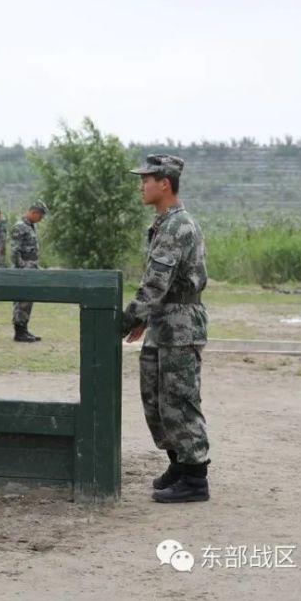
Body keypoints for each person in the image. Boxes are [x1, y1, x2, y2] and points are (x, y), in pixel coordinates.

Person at [121, 154, 210, 503]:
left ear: (165, 184)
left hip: (180, 324)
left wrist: (127, 319)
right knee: (155, 399)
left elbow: (155, 283)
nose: (142, 185)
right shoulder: (164, 223)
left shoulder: (178, 226)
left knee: (179, 400)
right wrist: (144, 318)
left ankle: (195, 478)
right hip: (163, 322)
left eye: (147, 179)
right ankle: (178, 463)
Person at [10, 201, 47, 342]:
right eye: (40, 216)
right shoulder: (20, 227)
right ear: (34, 212)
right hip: (22, 271)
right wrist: (23, 267)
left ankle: (24, 330)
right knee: (21, 300)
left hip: (30, 270)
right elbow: (14, 252)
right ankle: (19, 332)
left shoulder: (29, 226)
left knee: (27, 300)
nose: (40, 219)